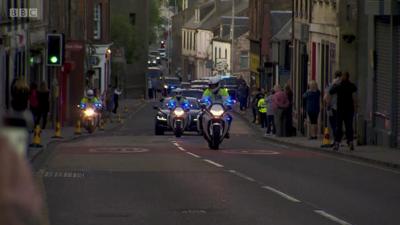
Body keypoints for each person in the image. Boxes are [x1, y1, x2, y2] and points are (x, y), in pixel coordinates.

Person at [330, 72, 357, 151]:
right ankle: (350, 142)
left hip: (340, 110)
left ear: (342, 78)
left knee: (339, 126)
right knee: (349, 126)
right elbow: (355, 88)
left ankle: (337, 143)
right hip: (349, 109)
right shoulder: (350, 85)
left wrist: (335, 84)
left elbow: (331, 91)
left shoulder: (339, 86)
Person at [324, 71, 342, 145]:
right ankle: (338, 140)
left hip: (333, 107)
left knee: (334, 124)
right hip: (341, 107)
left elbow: (328, 96)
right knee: (338, 124)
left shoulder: (332, 84)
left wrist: (327, 105)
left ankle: (336, 140)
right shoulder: (342, 84)